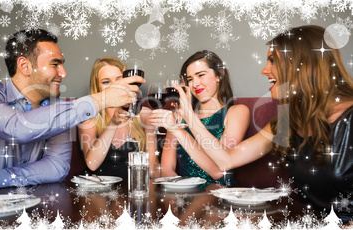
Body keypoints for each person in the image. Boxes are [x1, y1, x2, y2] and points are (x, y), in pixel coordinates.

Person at [152, 25, 353, 223]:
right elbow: (226, 160)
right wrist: (184, 119)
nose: (264, 70)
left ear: (302, 63)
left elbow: (217, 170)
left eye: (273, 61)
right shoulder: (286, 121)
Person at [0, 29, 145, 196]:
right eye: (55, 64)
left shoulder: (58, 110)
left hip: (27, 204)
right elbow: (15, 128)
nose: (64, 73)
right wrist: (102, 99)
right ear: (25, 65)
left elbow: (57, 167)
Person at [157, 50, 250, 185]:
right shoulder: (177, 116)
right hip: (184, 196)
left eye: (201, 75)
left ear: (219, 75)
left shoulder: (237, 112)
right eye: (190, 79)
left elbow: (219, 170)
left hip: (221, 194)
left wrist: (184, 125)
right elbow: (166, 170)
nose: (195, 84)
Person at [78, 57, 159, 179]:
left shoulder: (144, 114)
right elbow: (92, 165)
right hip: (99, 191)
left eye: (119, 79)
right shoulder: (89, 117)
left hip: (133, 190)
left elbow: (153, 171)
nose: (115, 86)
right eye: (106, 82)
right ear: (98, 87)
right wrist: (113, 123)